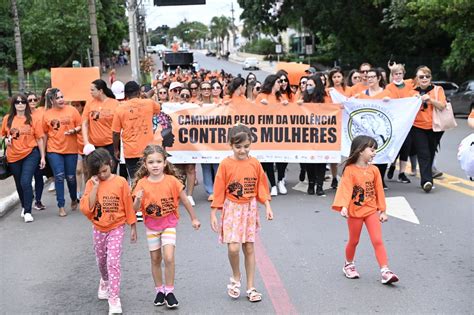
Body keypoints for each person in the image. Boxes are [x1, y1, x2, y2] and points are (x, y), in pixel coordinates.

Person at [210, 124, 273, 302]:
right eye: (238, 147)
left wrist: (267, 205)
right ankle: (236, 277)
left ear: (251, 143)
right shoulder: (225, 164)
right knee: (233, 247)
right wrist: (214, 212)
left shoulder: (255, 163)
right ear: (231, 145)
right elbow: (219, 188)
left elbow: (261, 185)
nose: (242, 150)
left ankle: (251, 287)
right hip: (232, 208)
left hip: (250, 208)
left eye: (246, 146)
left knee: (249, 247)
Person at [132, 144, 200, 308]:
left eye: (158, 161)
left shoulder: (172, 181)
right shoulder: (141, 183)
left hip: (169, 224)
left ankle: (169, 291)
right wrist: (138, 200)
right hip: (151, 226)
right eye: (151, 162)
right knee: (155, 258)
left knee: (168, 257)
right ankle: (159, 291)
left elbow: (184, 200)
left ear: (165, 163)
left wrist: (194, 219)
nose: (155, 165)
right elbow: (133, 210)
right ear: (145, 164)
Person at [332, 135, 399, 285]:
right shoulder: (349, 170)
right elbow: (346, 189)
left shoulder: (374, 170)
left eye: (375, 150)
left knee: (377, 240)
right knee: (354, 241)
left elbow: (379, 191)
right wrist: (344, 206)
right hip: (355, 212)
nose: (374, 152)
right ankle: (348, 264)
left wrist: (382, 210)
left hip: (370, 211)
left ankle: (385, 271)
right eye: (372, 149)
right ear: (360, 151)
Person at [79, 148, 137, 315]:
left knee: (113, 262)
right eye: (99, 172)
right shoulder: (92, 183)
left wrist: (132, 226)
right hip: (98, 228)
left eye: (105, 171)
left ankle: (114, 298)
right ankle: (104, 280)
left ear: (111, 164)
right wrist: (95, 187)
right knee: (101, 261)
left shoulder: (120, 182)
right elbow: (87, 207)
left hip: (116, 227)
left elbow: (127, 204)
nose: (103, 175)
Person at [1, 94, 46, 223]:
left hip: (31, 154)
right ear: (14, 105)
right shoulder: (7, 119)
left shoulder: (32, 119)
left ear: (26, 104)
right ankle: (25, 203)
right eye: (17, 102)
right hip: (13, 156)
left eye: (23, 102)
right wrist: (6, 139)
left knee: (25, 181)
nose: (20, 104)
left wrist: (42, 157)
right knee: (19, 184)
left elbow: (39, 139)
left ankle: (27, 211)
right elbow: (2, 135)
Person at [42, 88, 81, 217]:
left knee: (70, 177)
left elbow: (80, 125)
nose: (61, 100)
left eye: (62, 97)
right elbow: (45, 135)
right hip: (54, 150)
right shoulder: (47, 115)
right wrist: (43, 155)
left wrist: (74, 130)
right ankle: (61, 205)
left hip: (71, 149)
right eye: (57, 98)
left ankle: (74, 198)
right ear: (52, 100)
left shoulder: (72, 110)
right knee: (59, 176)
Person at [111, 81, 161, 180]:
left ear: (125, 94)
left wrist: (116, 149)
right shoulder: (149, 103)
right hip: (148, 150)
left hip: (130, 151)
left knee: (135, 181)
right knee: (150, 179)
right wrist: (145, 97)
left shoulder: (119, 109)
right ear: (139, 92)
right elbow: (159, 108)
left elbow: (115, 132)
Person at [410, 66, 447, 192]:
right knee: (423, 153)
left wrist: (429, 99)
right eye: (421, 77)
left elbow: (442, 106)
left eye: (427, 76)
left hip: (435, 127)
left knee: (431, 152)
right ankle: (426, 181)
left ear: (431, 78)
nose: (424, 79)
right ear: (417, 79)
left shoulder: (437, 90)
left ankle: (428, 176)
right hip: (417, 127)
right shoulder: (412, 92)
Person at [256, 74, 289, 195]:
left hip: (280, 132)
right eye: (278, 82)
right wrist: (261, 106)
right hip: (266, 133)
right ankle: (273, 184)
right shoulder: (261, 96)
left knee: (282, 157)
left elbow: (290, 113)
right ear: (271, 83)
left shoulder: (282, 97)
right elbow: (254, 113)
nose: (280, 84)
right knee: (268, 158)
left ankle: (280, 180)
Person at [301, 75, 331, 196]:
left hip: (322, 134)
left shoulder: (326, 99)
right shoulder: (304, 98)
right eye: (307, 85)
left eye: (310, 85)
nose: (308, 87)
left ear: (317, 86)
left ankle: (319, 185)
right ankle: (311, 184)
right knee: (309, 161)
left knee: (321, 161)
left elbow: (332, 111)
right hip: (308, 135)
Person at [82, 79, 119, 173]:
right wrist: (86, 142)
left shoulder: (114, 103)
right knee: (96, 171)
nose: (90, 92)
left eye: (92, 90)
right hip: (95, 145)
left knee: (110, 171)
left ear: (101, 91)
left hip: (110, 144)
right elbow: (85, 123)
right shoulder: (89, 103)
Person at [27, 92, 46, 210]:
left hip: (42, 147)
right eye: (30, 100)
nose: (33, 102)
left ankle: (38, 200)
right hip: (29, 149)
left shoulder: (41, 112)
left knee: (39, 176)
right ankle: (30, 197)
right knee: (27, 177)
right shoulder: (23, 115)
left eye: (35, 99)